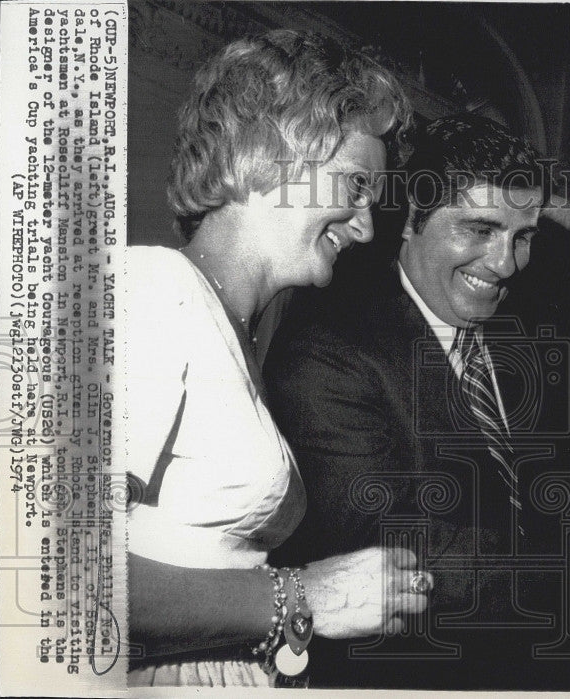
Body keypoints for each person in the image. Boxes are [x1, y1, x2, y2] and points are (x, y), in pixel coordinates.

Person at [124, 30, 430, 687]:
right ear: (272, 152)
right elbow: (52, 573)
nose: (365, 226)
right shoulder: (152, 290)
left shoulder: (237, 333)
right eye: (354, 185)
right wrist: (306, 595)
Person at [264, 114, 570, 689]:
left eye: (522, 238)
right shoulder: (330, 348)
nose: (505, 264)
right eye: (478, 229)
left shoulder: (524, 342)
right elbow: (397, 550)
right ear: (409, 220)